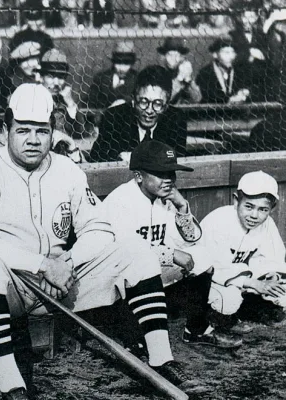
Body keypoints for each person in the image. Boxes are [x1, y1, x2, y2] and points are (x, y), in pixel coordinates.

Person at [0, 84, 204, 400]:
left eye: (41, 131)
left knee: (134, 248)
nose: (33, 140)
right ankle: (12, 389)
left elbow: (99, 229)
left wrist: (66, 262)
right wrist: (44, 264)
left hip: (61, 281)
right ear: (6, 128)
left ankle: (161, 359)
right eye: (23, 130)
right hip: (8, 287)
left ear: (52, 131)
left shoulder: (67, 169)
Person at [103, 140, 242, 350]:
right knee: (140, 346)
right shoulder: (120, 201)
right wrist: (171, 255)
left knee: (202, 256)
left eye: (172, 174)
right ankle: (129, 330)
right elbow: (123, 252)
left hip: (152, 273)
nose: (168, 180)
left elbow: (192, 238)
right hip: (119, 281)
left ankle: (196, 330)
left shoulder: (165, 199)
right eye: (161, 173)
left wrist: (182, 206)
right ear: (139, 176)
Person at [201, 171, 286, 325]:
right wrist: (255, 284)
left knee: (282, 290)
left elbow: (272, 258)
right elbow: (215, 268)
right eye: (249, 206)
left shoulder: (267, 224)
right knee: (228, 300)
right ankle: (216, 318)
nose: (255, 215)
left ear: (271, 208)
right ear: (236, 201)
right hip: (211, 281)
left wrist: (273, 277)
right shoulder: (218, 221)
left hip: (245, 279)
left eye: (263, 209)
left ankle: (252, 308)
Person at [89, 65, 188, 163]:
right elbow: (97, 159)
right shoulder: (114, 117)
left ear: (166, 105)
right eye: (143, 102)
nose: (149, 110)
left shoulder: (176, 118)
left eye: (158, 104)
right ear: (133, 100)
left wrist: (137, 157)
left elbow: (175, 156)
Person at [39, 48, 94, 160]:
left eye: (60, 77)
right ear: (41, 77)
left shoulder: (63, 99)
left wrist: (71, 104)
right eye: (50, 76)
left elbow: (80, 133)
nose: (56, 83)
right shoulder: (33, 98)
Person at [196, 37, 255, 104]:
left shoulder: (239, 70)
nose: (231, 56)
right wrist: (229, 99)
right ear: (215, 54)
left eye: (233, 52)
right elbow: (208, 95)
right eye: (226, 52)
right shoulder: (205, 72)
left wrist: (243, 93)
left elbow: (246, 86)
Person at [86, 41, 138, 110]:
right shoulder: (101, 78)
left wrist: (125, 101)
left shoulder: (138, 78)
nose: (122, 68)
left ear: (132, 63)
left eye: (126, 63)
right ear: (113, 62)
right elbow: (91, 101)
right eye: (118, 62)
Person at [156, 37, 202, 104]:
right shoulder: (158, 73)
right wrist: (179, 79)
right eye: (170, 55)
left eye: (176, 55)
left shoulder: (184, 71)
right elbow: (163, 100)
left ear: (181, 57)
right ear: (164, 56)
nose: (173, 59)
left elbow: (197, 98)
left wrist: (188, 80)